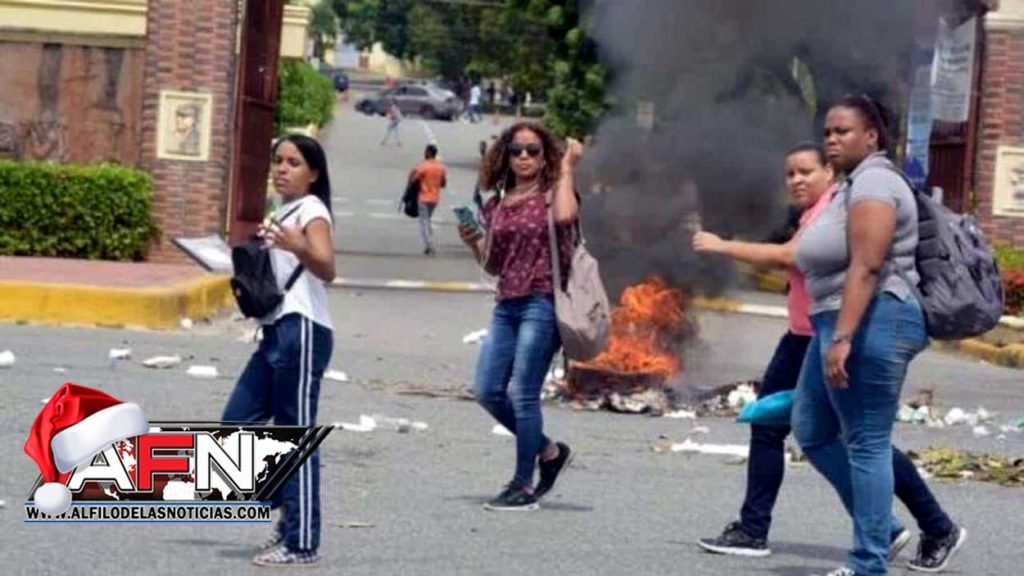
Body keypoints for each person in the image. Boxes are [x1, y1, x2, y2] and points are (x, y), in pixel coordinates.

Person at [693, 143, 962, 572]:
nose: (796, 180)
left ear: (829, 173)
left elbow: (795, 256)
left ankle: (763, 529)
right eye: (790, 174)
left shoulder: (843, 203)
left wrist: (721, 245)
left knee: (857, 439)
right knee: (832, 435)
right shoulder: (822, 209)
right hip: (807, 334)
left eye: (806, 172)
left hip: (828, 334)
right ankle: (907, 527)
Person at [793, 95, 966, 576]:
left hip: (874, 319)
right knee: (812, 428)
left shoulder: (875, 182)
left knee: (866, 441)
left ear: (871, 137)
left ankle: (868, 561)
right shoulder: (851, 185)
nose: (831, 140)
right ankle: (889, 530)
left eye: (842, 131)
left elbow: (867, 265)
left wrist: (844, 337)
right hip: (835, 319)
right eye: (827, 132)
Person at [222, 134, 336, 567]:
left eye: (294, 162)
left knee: (295, 435)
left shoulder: (311, 210)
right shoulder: (281, 213)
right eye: (278, 161)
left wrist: (298, 245)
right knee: (236, 424)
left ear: (313, 173)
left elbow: (327, 267)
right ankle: (288, 506)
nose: (282, 169)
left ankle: (301, 541)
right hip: (274, 331)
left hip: (302, 330)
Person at [457, 122, 582, 511]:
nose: (524, 156)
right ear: (505, 156)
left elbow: (566, 217)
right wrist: (473, 243)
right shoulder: (496, 203)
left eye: (533, 150)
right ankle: (549, 452)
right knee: (487, 390)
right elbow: (494, 265)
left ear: (546, 156)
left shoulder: (554, 193)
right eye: (516, 150)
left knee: (523, 393)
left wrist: (567, 168)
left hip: (542, 302)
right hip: (507, 304)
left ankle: (523, 485)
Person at [410, 144, 447, 255]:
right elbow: (443, 184)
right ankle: (428, 244)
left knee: (424, 221)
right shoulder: (441, 167)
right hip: (435, 199)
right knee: (427, 220)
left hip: (424, 197)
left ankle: (429, 245)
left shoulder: (424, 166)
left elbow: (414, 180)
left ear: (429, 153)